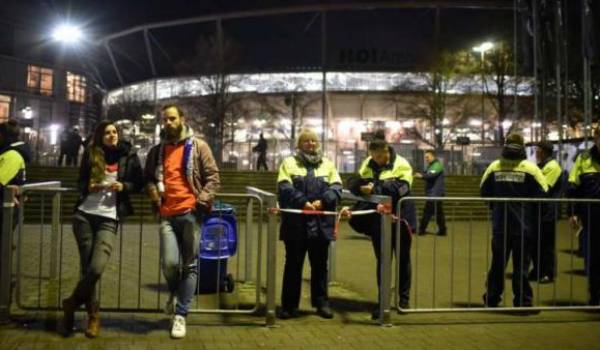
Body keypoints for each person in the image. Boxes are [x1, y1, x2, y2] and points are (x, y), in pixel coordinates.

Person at [61, 120, 143, 338]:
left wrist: (124, 186)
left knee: (96, 268)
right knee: (86, 268)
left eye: (114, 132)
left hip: (108, 217)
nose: (112, 135)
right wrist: (88, 186)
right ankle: (93, 316)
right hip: (84, 216)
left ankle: (70, 304)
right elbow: (80, 182)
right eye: (107, 132)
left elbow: (140, 183)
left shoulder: (129, 155)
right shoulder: (90, 153)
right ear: (100, 136)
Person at [145, 104, 220, 338]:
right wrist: (156, 197)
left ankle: (181, 314)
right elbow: (148, 179)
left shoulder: (198, 146)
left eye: (172, 119)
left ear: (182, 119)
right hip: (167, 214)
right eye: (165, 120)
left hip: (190, 213)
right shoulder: (158, 151)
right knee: (168, 263)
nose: (168, 123)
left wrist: (201, 201)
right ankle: (176, 293)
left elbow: (213, 177)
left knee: (189, 265)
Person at [347, 131, 416, 318]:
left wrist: (375, 188)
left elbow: (402, 188)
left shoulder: (401, 164)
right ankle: (382, 301)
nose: (376, 160)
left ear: (387, 151)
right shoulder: (368, 164)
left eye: (379, 156)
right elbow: (353, 181)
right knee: (383, 261)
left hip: (401, 218)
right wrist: (359, 187)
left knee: (403, 259)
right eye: (373, 156)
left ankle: (404, 299)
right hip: (379, 220)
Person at [276, 129, 343, 320]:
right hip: (296, 224)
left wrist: (323, 201)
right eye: (306, 141)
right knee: (293, 266)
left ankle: (322, 303)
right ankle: (289, 306)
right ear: (299, 145)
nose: (311, 144)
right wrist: (303, 202)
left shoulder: (328, 164)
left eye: (313, 141)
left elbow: (337, 187)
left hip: (321, 224)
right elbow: (284, 187)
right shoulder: (288, 163)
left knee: (320, 266)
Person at [481, 133, 548, 307]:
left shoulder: (495, 166)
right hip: (524, 226)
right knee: (522, 267)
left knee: (497, 265)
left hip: (500, 226)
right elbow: (543, 193)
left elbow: (483, 191)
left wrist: (494, 206)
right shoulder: (531, 168)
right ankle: (523, 300)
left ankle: (492, 297)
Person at [568, 126, 600, 305]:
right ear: (595, 138)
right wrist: (573, 213)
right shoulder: (584, 158)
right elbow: (574, 187)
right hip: (592, 218)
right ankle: (595, 297)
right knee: (594, 260)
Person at [529, 141, 563, 284]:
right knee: (535, 242)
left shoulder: (553, 167)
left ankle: (548, 273)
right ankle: (538, 269)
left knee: (547, 244)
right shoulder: (542, 166)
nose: (536, 153)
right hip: (538, 210)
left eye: (538, 150)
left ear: (544, 151)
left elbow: (544, 187)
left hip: (547, 210)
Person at [415, 150, 447, 236]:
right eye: (425, 157)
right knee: (438, 213)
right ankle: (442, 230)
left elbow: (430, 175)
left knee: (427, 212)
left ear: (433, 156)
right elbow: (428, 173)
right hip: (436, 193)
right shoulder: (433, 165)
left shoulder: (436, 165)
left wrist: (421, 176)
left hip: (434, 194)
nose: (426, 159)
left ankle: (421, 230)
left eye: (428, 157)